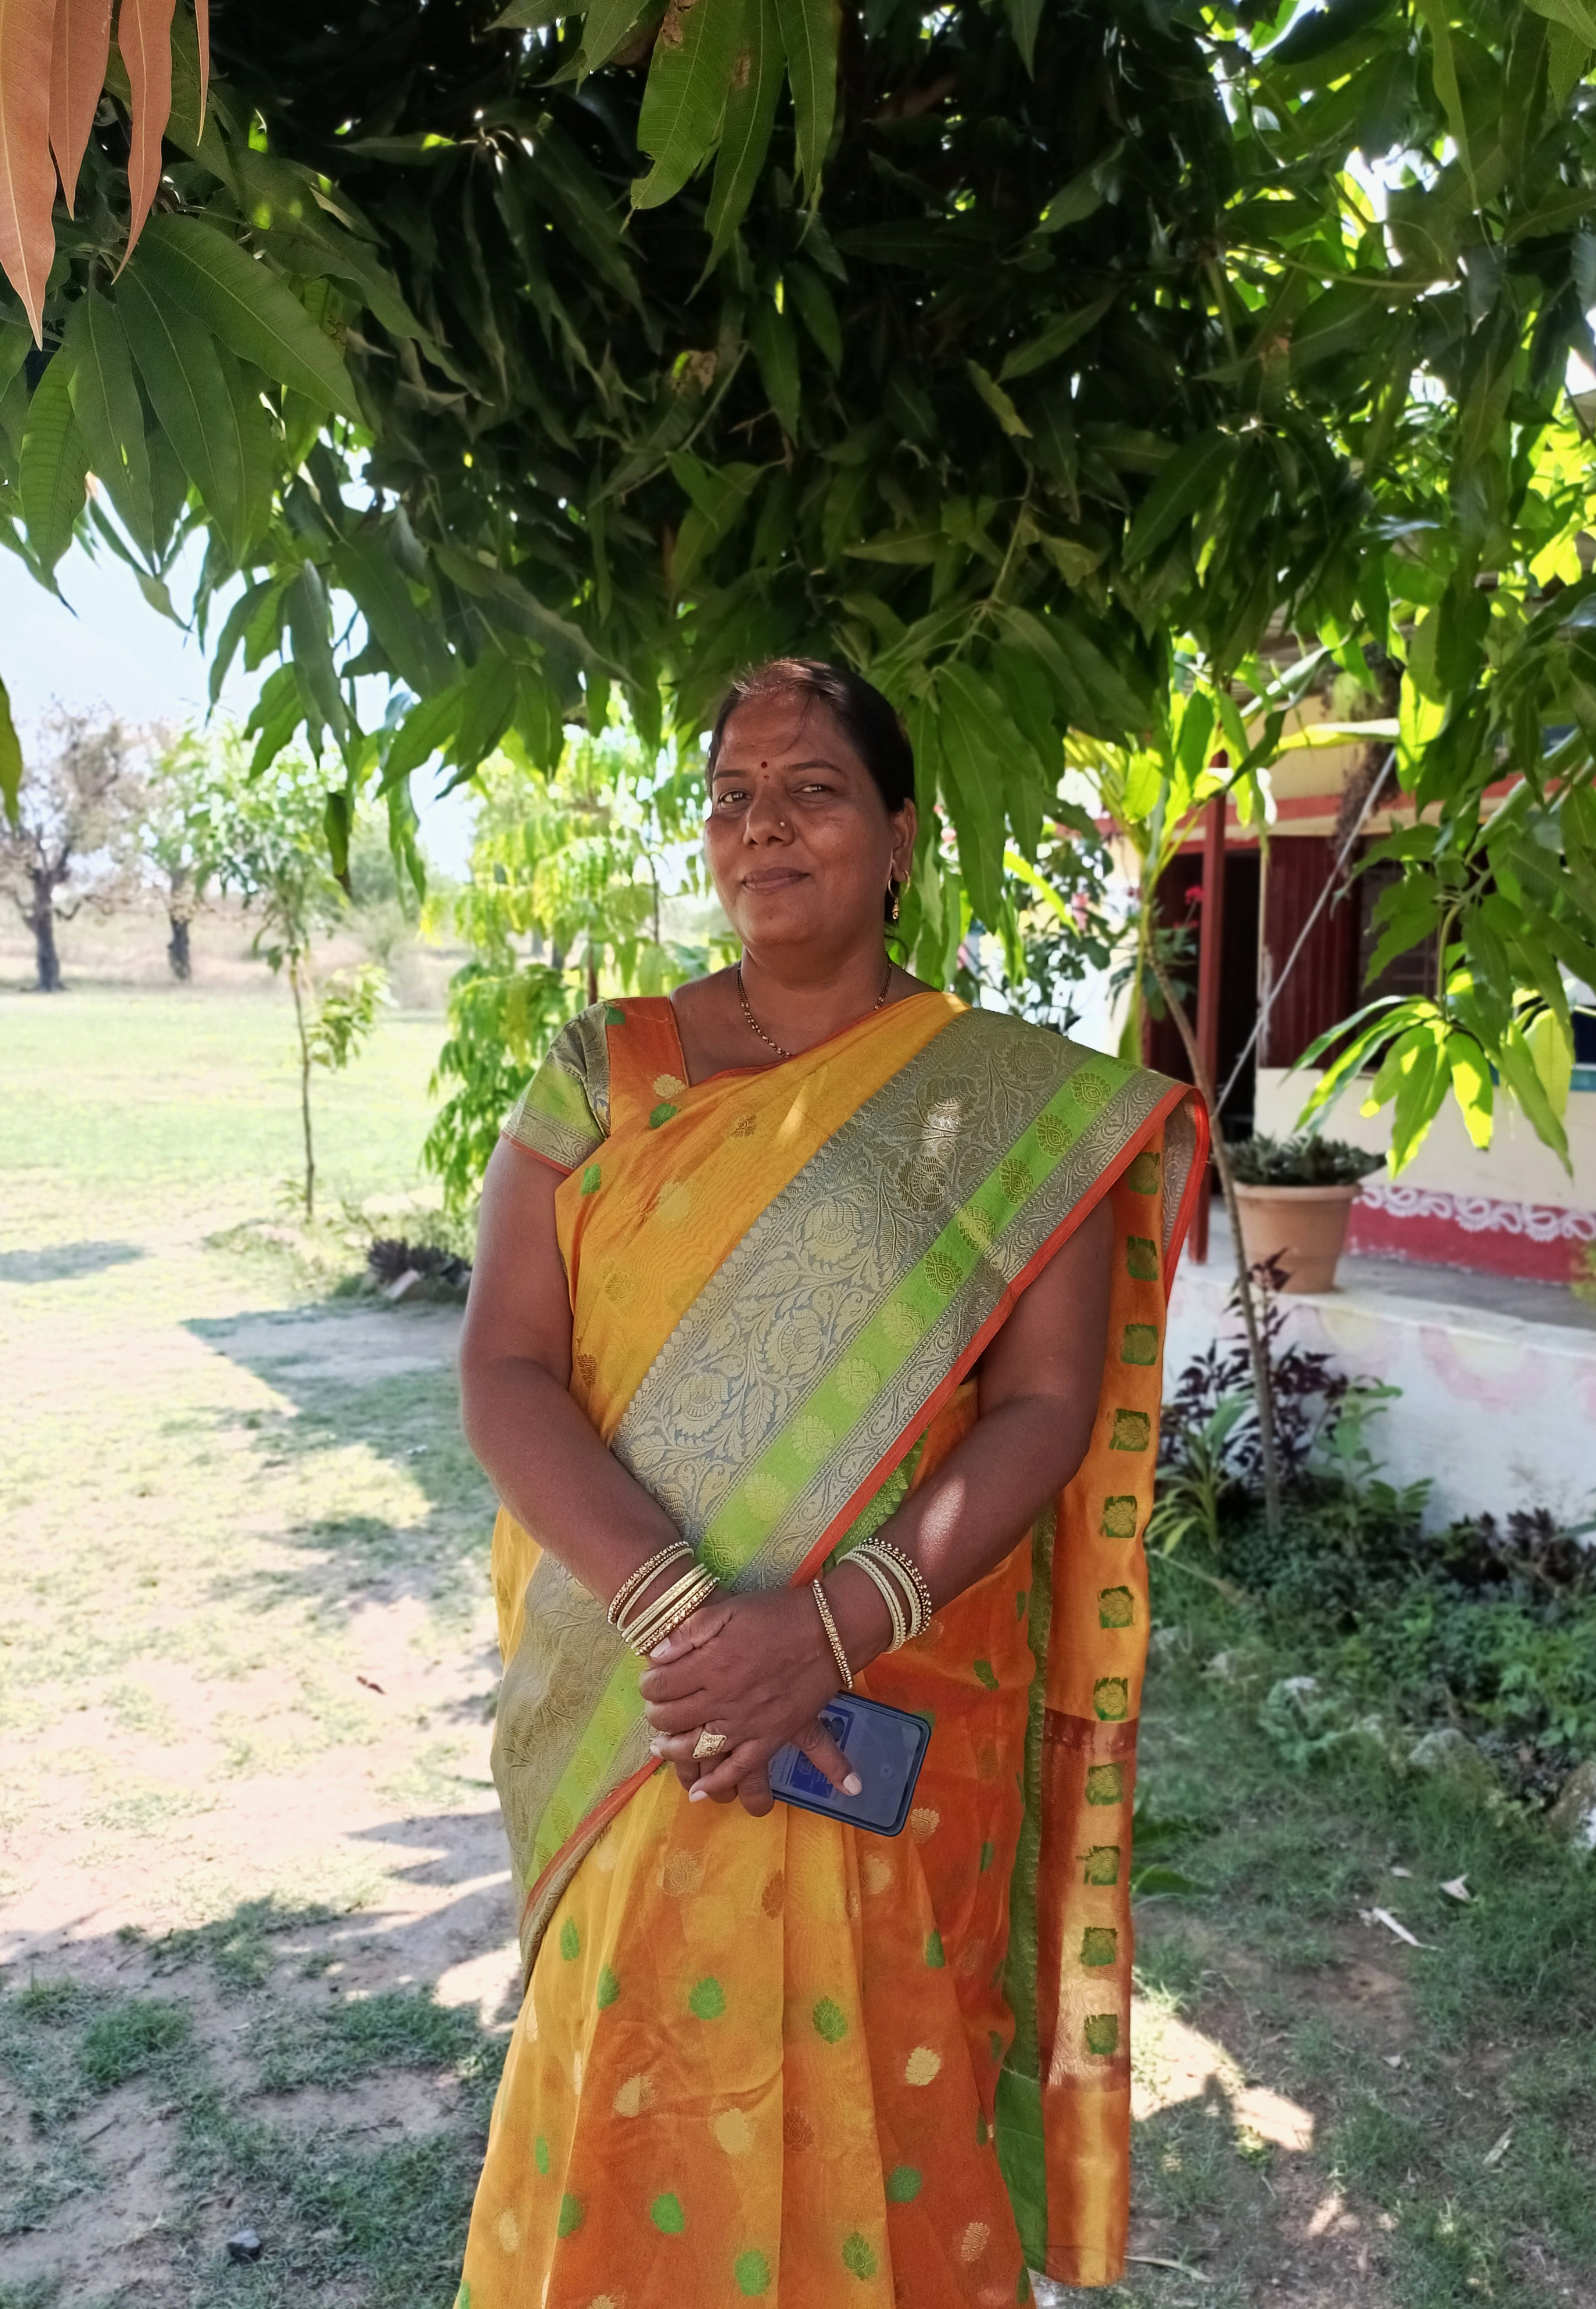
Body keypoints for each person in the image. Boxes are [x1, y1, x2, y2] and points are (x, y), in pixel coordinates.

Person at [452, 658, 1205, 2308]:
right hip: (647, 1699)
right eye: (730, 795)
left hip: (878, 1695)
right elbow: (501, 1370)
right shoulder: (603, 1071)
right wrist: (689, 1623)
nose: (760, 824)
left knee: (880, 2070)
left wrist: (832, 1625)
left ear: (896, 836)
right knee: (631, 2055)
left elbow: (1045, 1405)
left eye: (808, 789)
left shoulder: (1008, 1112)